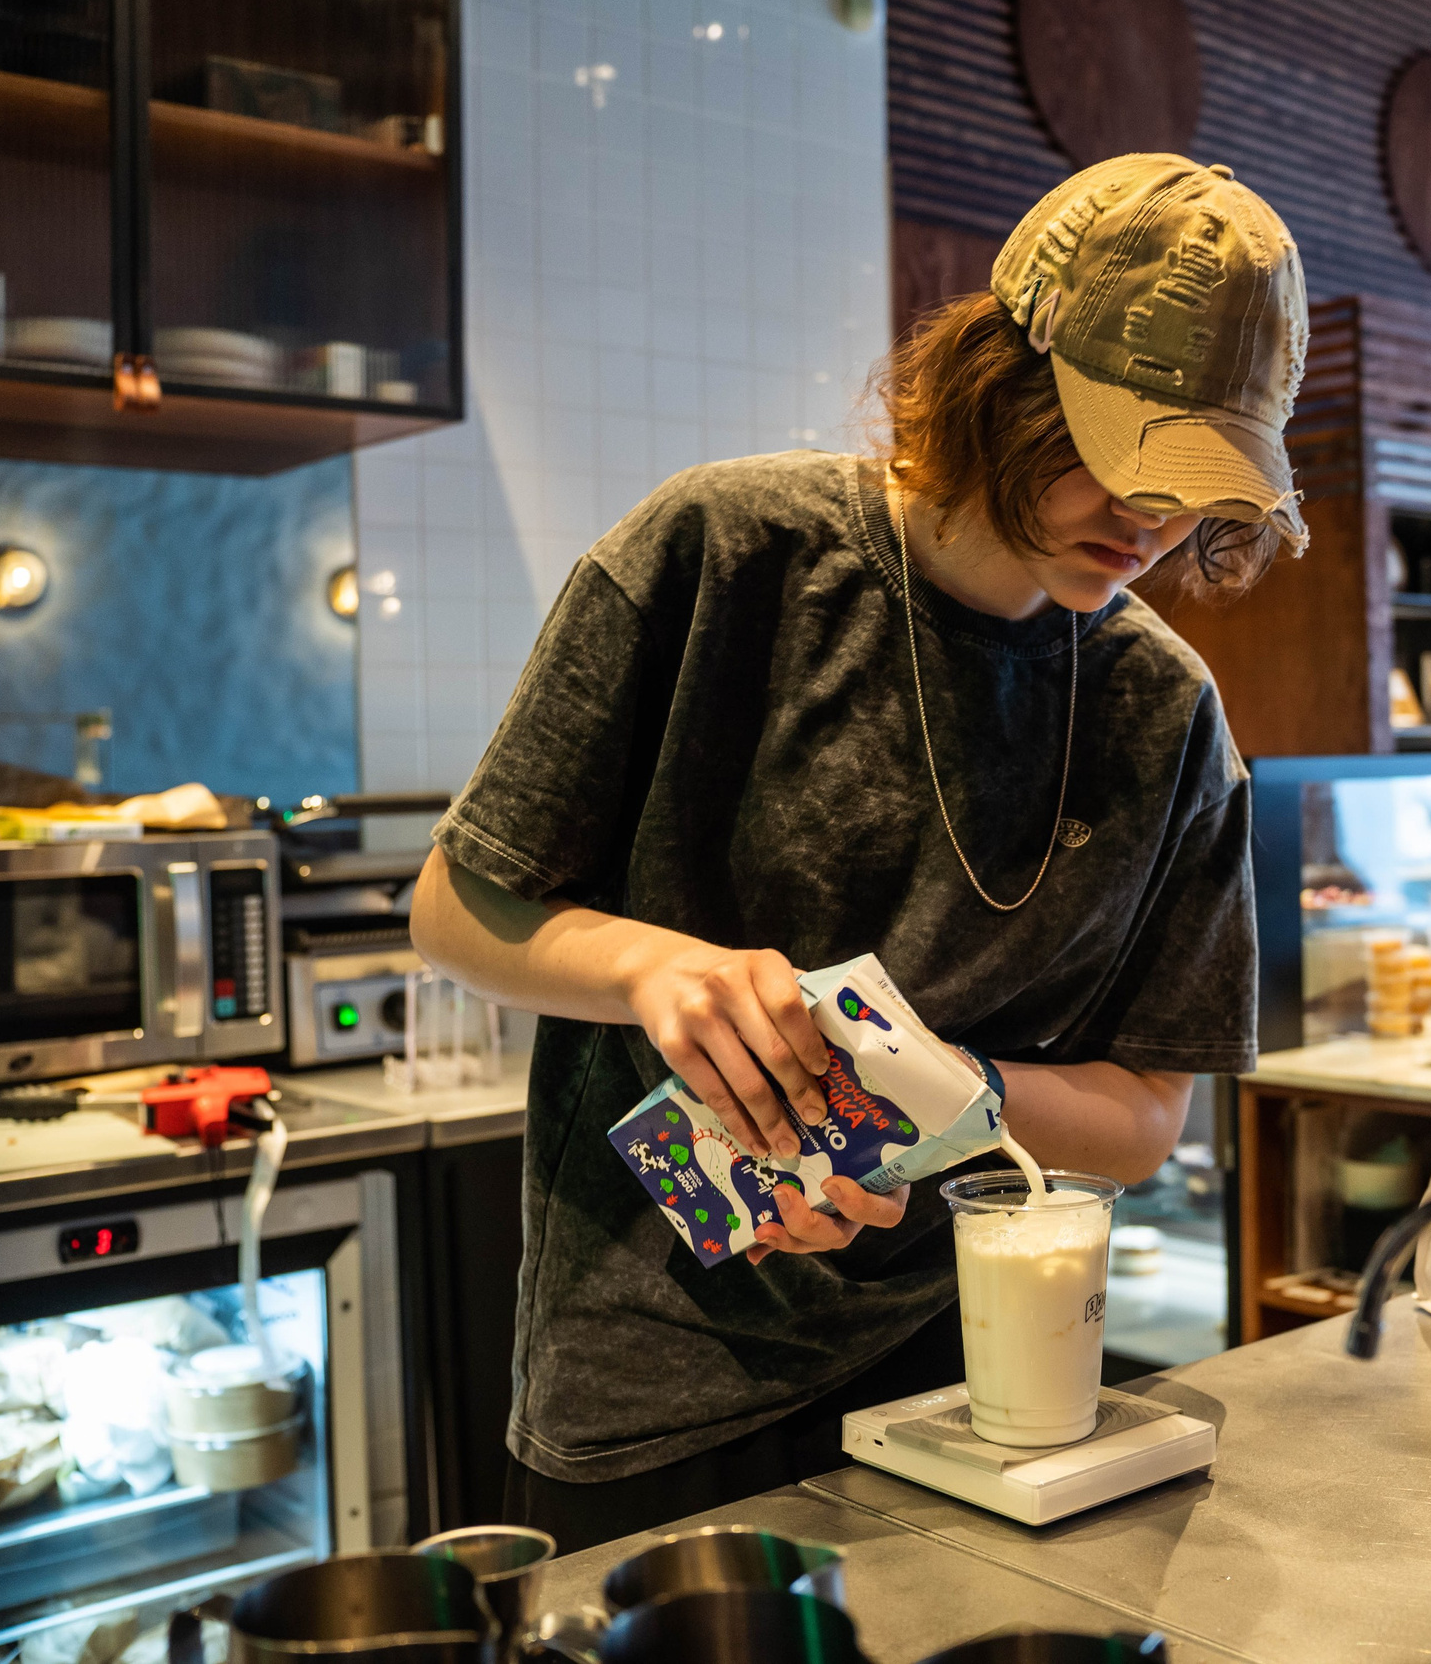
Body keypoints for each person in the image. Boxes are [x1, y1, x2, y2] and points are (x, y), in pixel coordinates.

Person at [410, 153, 1309, 1550]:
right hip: (649, 1379)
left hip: (979, 1394)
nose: (1155, 519)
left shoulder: (1165, 713)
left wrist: (933, 1100)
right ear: (994, 379)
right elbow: (455, 911)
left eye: (1198, 483)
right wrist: (660, 974)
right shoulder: (724, 555)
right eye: (1116, 452)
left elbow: (1142, 1123)